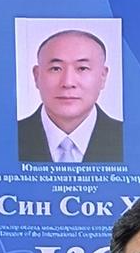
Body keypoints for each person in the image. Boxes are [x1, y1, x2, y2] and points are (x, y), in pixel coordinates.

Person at [18, 28, 125, 163]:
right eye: (56, 68)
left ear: (103, 76)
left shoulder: (129, 138)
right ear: (37, 76)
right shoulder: (9, 136)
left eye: (82, 68)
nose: (68, 83)